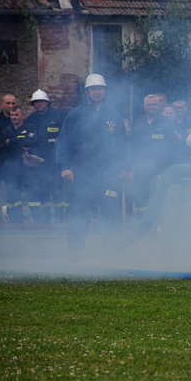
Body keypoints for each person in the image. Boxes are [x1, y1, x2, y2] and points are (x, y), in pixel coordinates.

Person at [56, 74, 129, 250]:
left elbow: (123, 144)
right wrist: (66, 167)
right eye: (94, 89)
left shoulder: (114, 115)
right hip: (83, 172)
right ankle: (75, 249)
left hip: (109, 173)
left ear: (105, 91)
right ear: (87, 91)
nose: (97, 92)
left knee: (111, 212)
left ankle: (112, 250)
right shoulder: (76, 114)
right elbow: (64, 141)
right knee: (79, 211)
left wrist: (124, 168)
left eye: (101, 89)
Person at [128, 95, 177, 214]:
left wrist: (170, 168)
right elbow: (133, 147)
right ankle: (142, 223)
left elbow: (174, 147)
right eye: (149, 105)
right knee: (139, 196)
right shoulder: (138, 122)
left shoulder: (167, 123)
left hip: (161, 169)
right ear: (144, 107)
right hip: (142, 168)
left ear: (159, 106)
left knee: (159, 197)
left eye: (154, 104)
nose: (151, 107)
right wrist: (131, 168)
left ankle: (158, 226)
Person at [26, 90, 68, 223]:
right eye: (36, 102)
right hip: (39, 161)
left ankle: (60, 219)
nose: (39, 104)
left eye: (41, 101)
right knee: (42, 190)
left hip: (55, 160)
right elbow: (26, 136)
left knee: (57, 189)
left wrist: (60, 139)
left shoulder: (59, 115)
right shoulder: (31, 119)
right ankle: (44, 221)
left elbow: (69, 129)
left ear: (47, 103)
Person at [0, 106, 37, 223]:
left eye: (16, 115)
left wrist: (10, 141)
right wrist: (19, 143)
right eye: (12, 115)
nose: (14, 117)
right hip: (10, 165)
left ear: (23, 116)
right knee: (13, 193)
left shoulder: (30, 127)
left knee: (33, 191)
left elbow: (30, 141)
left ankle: (39, 219)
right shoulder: (6, 130)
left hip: (27, 165)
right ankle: (16, 221)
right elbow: (1, 146)